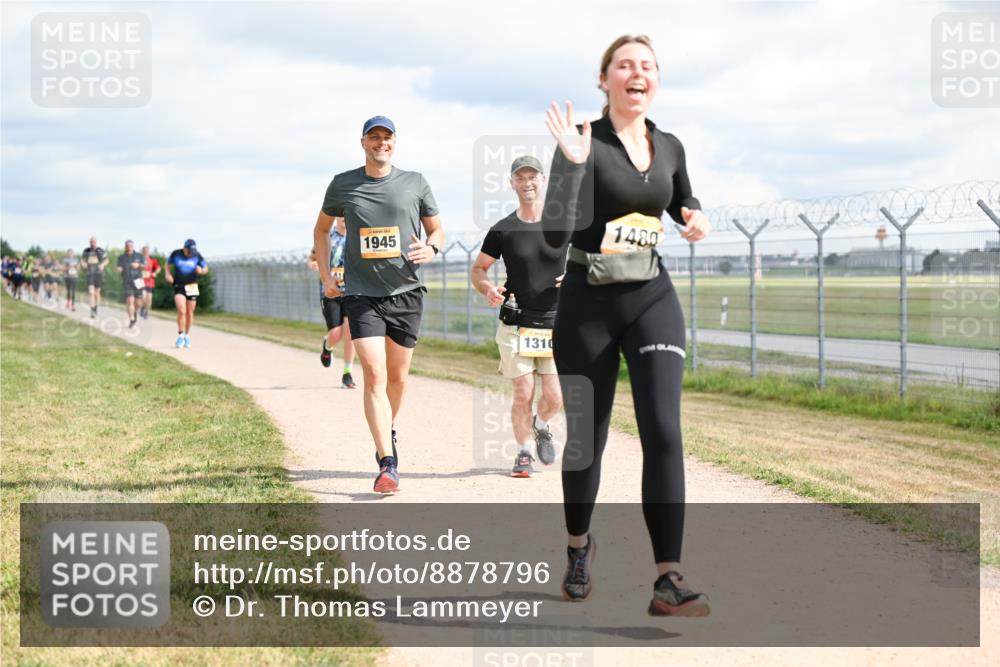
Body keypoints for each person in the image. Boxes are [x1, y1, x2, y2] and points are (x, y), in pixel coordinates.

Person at [540, 35, 712, 616]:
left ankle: (669, 577)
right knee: (587, 440)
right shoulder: (584, 143)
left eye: (647, 66)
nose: (637, 73)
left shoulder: (670, 145)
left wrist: (694, 216)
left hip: (651, 296)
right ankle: (578, 546)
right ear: (605, 79)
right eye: (624, 65)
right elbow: (553, 237)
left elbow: (682, 198)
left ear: (655, 80)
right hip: (586, 303)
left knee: (663, 427)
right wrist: (569, 166)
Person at [314, 115, 444, 494]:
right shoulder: (343, 184)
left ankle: (386, 429)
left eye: (387, 138)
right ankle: (387, 462)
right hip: (361, 293)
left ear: (394, 143)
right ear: (363, 143)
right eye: (374, 137)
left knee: (398, 379)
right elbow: (321, 229)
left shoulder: (415, 182)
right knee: (374, 374)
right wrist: (326, 277)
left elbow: (436, 228)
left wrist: (431, 247)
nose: (381, 143)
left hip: (406, 291)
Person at [471, 155, 565, 478]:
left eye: (532, 176)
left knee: (554, 397)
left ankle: (542, 424)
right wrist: (486, 289)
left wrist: (575, 276)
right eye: (520, 177)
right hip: (516, 322)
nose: (527, 182)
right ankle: (524, 452)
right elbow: (478, 268)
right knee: (523, 392)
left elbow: (588, 259)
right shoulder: (503, 230)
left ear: (542, 181)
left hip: (555, 324)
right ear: (512, 184)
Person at [307, 217, 357, 388]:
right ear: (336, 217)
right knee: (336, 334)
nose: (344, 218)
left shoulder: (356, 238)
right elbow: (312, 258)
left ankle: (347, 374)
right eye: (340, 215)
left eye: (346, 214)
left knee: (351, 332)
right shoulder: (328, 236)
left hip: (352, 291)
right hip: (330, 292)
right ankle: (327, 347)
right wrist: (313, 264)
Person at [164, 239, 208, 349]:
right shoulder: (176, 254)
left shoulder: (197, 255)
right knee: (181, 310)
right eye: (189, 251)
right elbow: (167, 264)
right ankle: (180, 335)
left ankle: (187, 336)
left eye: (192, 251)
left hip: (192, 286)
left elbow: (205, 268)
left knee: (190, 312)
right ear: (184, 248)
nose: (190, 253)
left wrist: (201, 271)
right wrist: (167, 274)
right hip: (179, 285)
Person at [116, 240, 145, 328]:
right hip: (127, 281)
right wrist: (119, 269)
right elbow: (118, 267)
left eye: (131, 246)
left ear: (133, 246)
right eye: (127, 246)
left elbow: (144, 267)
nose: (129, 247)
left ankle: (134, 312)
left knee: (139, 302)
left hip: (138, 280)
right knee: (130, 301)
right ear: (125, 247)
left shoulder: (139, 256)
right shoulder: (121, 258)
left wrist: (138, 265)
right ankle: (132, 319)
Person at [81, 237, 109, 318]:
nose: (93, 243)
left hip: (98, 274)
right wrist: (83, 264)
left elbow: (107, 260)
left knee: (97, 293)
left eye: (94, 242)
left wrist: (103, 264)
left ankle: (96, 308)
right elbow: (82, 260)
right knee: (91, 293)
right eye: (91, 242)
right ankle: (92, 310)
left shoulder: (100, 250)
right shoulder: (86, 251)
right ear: (89, 242)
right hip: (90, 273)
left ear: (96, 242)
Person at [139, 244, 160, 319]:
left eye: (147, 252)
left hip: (150, 282)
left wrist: (155, 273)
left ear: (149, 252)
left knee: (149, 299)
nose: (145, 253)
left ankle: (146, 312)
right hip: (141, 281)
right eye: (144, 252)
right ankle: (142, 308)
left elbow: (158, 268)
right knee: (143, 297)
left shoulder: (152, 260)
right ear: (142, 252)